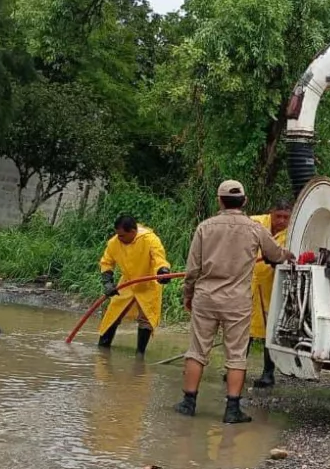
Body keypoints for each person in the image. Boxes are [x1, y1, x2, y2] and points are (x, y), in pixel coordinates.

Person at [175, 180, 293, 423]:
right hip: (237, 301)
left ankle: (188, 404)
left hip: (205, 298)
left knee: (197, 351)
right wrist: (288, 255)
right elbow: (275, 255)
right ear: (245, 201)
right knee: (237, 354)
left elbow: (192, 270)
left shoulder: (204, 228)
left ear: (219, 200)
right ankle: (232, 410)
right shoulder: (254, 228)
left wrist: (188, 295)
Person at [97, 215, 171, 355]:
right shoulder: (114, 242)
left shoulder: (150, 239)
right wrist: (107, 282)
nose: (119, 238)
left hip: (148, 285)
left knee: (146, 318)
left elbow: (159, 259)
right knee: (113, 314)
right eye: (117, 234)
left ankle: (140, 354)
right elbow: (106, 262)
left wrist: (163, 271)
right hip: (127, 283)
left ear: (133, 231)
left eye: (122, 235)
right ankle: (102, 349)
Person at [249, 198, 292, 388]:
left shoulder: (293, 232)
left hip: (273, 287)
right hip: (248, 283)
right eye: (278, 216)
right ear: (271, 213)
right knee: (242, 329)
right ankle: (235, 368)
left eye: (285, 217)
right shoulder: (255, 223)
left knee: (271, 329)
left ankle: (268, 373)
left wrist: (278, 260)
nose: (281, 221)